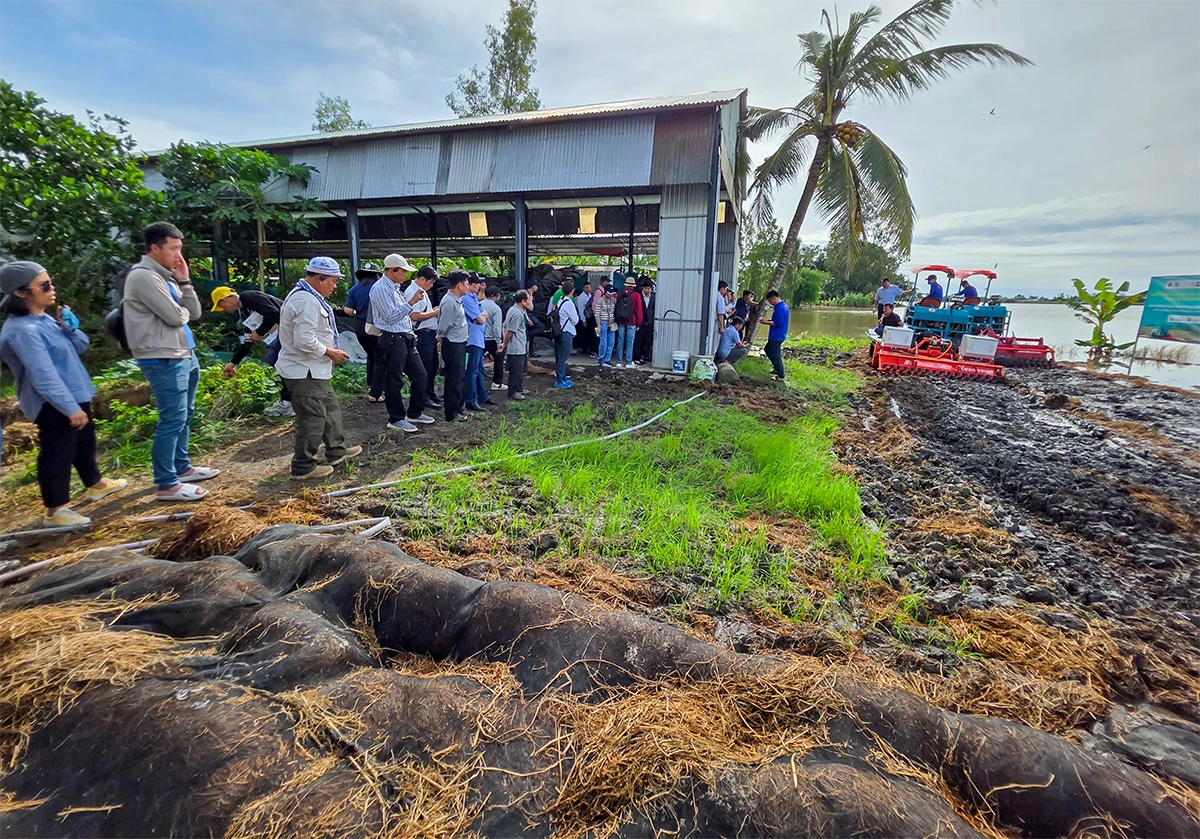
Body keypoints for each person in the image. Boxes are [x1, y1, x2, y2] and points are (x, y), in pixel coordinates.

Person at [0, 261, 127, 526]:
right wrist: (69, 408)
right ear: (21, 293)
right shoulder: (22, 331)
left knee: (84, 443)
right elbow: (43, 375)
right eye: (44, 285)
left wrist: (69, 326)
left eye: (50, 282)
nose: (51, 288)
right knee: (58, 452)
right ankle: (55, 510)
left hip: (75, 391)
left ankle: (95, 483)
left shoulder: (44, 319)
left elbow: (80, 346)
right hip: (52, 402)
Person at [123, 222, 219, 502]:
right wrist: (180, 311)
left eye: (180, 248)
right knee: (172, 419)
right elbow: (176, 317)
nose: (179, 255)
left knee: (184, 413)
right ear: (155, 248)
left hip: (183, 352)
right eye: (173, 248)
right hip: (162, 356)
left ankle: (182, 467)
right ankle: (166, 482)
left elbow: (194, 312)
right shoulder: (143, 277)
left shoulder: (165, 277)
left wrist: (185, 281)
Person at [275, 256, 362, 480]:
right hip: (305, 371)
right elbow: (303, 340)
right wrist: (329, 352)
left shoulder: (309, 297)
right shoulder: (306, 301)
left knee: (330, 411)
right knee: (312, 419)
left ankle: (336, 451)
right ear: (320, 277)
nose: (334, 286)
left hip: (315, 369)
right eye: (332, 281)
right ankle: (303, 466)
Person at [370, 258, 436, 434]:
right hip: (392, 337)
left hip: (405, 337)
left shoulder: (395, 288)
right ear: (393, 270)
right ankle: (396, 418)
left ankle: (414, 412)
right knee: (394, 378)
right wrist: (411, 302)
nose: (406, 275)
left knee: (420, 375)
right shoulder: (381, 289)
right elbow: (390, 317)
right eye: (403, 271)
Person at [210, 285, 293, 416]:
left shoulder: (248, 297)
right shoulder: (245, 312)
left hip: (290, 331)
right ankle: (289, 401)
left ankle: (290, 402)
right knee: (276, 360)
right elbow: (248, 341)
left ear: (224, 300)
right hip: (282, 335)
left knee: (280, 361)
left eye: (222, 307)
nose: (225, 310)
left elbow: (273, 313)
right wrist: (232, 363)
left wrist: (260, 332)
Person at [401, 255, 442, 408]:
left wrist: (432, 311)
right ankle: (423, 397)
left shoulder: (421, 291)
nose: (431, 286)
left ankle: (430, 393)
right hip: (422, 333)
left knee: (432, 366)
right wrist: (434, 313)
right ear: (423, 279)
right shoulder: (412, 292)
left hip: (429, 334)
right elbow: (414, 315)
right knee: (424, 367)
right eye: (431, 282)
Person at [342, 262, 384, 402]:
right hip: (375, 325)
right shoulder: (379, 289)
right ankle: (376, 393)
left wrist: (358, 312)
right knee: (379, 358)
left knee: (370, 356)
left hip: (360, 326)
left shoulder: (354, 289)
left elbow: (347, 310)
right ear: (377, 275)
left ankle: (371, 386)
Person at [437, 272, 471, 423]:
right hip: (453, 343)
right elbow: (444, 325)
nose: (468, 287)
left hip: (459, 342)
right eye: (467, 284)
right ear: (459, 285)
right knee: (453, 378)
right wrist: (440, 337)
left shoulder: (456, 300)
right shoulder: (450, 302)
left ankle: (459, 408)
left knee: (459, 377)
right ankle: (452, 413)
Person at [463, 276, 491, 411]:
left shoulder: (473, 297)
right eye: (477, 284)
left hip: (478, 338)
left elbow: (484, 315)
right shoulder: (466, 299)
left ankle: (482, 395)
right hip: (472, 339)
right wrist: (481, 317)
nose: (479, 286)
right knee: (472, 370)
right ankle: (470, 399)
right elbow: (481, 319)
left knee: (479, 369)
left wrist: (481, 317)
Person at [500, 289, 532, 400]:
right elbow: (510, 331)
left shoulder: (518, 310)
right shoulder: (517, 313)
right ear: (523, 301)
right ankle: (513, 391)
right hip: (516, 346)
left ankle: (519, 388)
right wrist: (504, 343)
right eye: (528, 300)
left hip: (520, 345)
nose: (530, 302)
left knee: (520, 369)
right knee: (516, 371)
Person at [553, 280, 579, 388]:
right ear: (572, 291)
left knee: (560, 356)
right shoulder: (569, 303)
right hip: (566, 332)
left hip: (559, 331)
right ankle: (560, 380)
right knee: (563, 357)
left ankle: (562, 378)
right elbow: (575, 320)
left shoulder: (560, 301)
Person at [759, 289, 790, 380]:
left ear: (774, 298)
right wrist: (769, 320)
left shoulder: (780, 308)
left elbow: (778, 323)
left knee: (774, 354)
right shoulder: (783, 306)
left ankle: (781, 375)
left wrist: (765, 322)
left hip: (776, 335)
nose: (770, 303)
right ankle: (777, 368)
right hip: (779, 334)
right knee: (769, 350)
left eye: (770, 301)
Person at [613, 275, 642, 369]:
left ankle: (618, 361)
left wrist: (617, 320)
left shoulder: (619, 294)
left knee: (620, 341)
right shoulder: (636, 295)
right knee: (630, 342)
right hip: (632, 321)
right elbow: (639, 311)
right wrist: (639, 323)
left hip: (621, 321)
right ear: (633, 285)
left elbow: (617, 308)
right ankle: (629, 362)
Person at [483, 285, 506, 391]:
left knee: (476, 359)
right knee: (499, 359)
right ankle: (497, 383)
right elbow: (497, 327)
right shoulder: (496, 308)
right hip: (491, 339)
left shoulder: (479, 304)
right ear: (495, 296)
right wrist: (499, 341)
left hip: (479, 338)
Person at [593, 281, 618, 367]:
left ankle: (607, 360)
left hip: (612, 323)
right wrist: (598, 325)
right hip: (603, 323)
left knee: (611, 342)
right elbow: (597, 313)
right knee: (603, 342)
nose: (611, 295)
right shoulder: (600, 300)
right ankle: (601, 359)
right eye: (610, 293)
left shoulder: (614, 300)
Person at [634, 280, 656, 365]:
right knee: (638, 340)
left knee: (648, 341)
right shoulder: (639, 297)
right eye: (646, 288)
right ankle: (637, 356)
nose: (647, 290)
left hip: (650, 323)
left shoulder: (653, 298)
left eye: (649, 288)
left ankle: (646, 356)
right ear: (643, 289)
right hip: (641, 322)